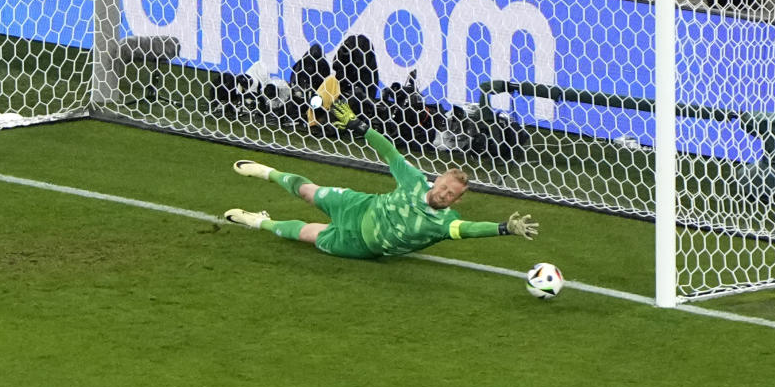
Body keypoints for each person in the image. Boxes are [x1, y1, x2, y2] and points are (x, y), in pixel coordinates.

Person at [224, 101, 539, 258]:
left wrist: (502, 228)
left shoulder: (445, 223)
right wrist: (360, 127)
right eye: (444, 187)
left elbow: (469, 230)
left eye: (451, 195)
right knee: (309, 191)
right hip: (358, 206)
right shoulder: (415, 181)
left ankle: (257, 221)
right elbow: (390, 153)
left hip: (359, 244)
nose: (444, 194)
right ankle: (268, 172)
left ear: (457, 201)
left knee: (304, 234)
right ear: (438, 179)